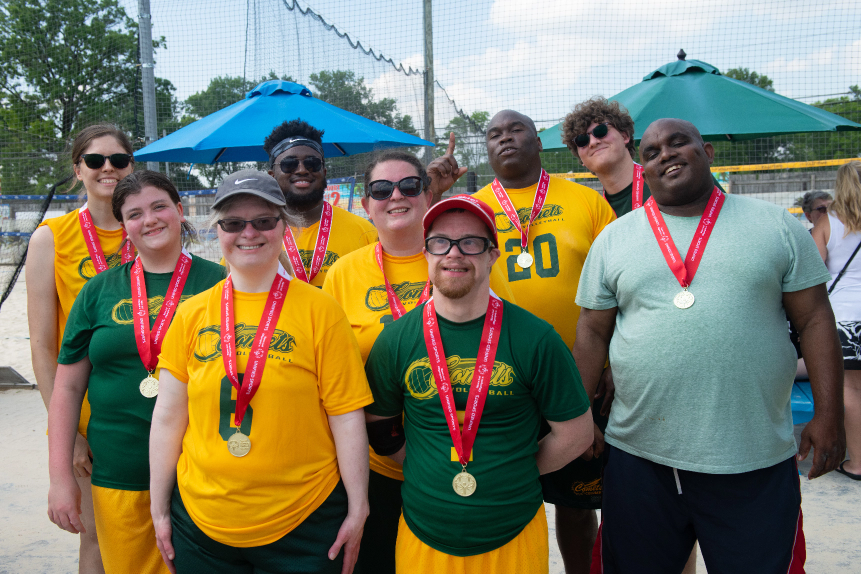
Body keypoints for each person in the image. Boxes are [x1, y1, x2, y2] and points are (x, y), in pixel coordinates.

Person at [573, 118, 845, 573]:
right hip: (641, 457)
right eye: (653, 151)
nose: (666, 154)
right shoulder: (614, 239)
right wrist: (581, 420)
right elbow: (592, 332)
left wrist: (829, 413)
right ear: (644, 167)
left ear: (708, 152)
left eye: (678, 142)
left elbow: (816, 319)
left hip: (752, 457)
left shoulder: (775, 225)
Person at [148, 170, 372, 574]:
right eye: (233, 223)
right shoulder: (192, 312)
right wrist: (159, 507)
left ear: (283, 226)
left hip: (305, 519)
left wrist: (358, 506)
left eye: (263, 221)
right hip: (203, 523)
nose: (248, 232)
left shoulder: (321, 311)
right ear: (218, 230)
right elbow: (167, 418)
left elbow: (346, 414)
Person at [364, 195, 594, 573]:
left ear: (492, 254)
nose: (454, 253)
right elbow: (380, 428)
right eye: (441, 242)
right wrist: (425, 466)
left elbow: (576, 434)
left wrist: (515, 468)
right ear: (426, 254)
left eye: (471, 242)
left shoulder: (535, 338)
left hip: (513, 534)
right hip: (424, 535)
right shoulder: (397, 340)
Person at [322, 149, 515, 574]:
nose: (396, 196)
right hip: (376, 461)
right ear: (367, 203)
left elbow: (502, 346)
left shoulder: (466, 260)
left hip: (460, 456)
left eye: (409, 185)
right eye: (381, 189)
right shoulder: (344, 273)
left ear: (428, 194)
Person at [47, 171, 225, 573]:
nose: (150, 220)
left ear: (180, 211)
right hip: (119, 474)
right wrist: (60, 479)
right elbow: (67, 389)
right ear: (124, 227)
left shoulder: (221, 285)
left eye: (160, 206)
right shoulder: (98, 291)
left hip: (202, 480)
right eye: (134, 214)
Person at [467, 109, 616, 574]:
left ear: (538, 142)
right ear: (487, 149)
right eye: (494, 134)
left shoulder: (585, 202)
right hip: (499, 374)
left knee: (578, 501)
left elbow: (619, 283)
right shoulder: (470, 209)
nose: (505, 139)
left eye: (516, 131)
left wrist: (610, 361)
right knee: (509, 491)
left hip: (580, 371)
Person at [561, 97, 699, 574]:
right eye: (582, 140)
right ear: (578, 156)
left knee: (675, 493)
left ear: (624, 134)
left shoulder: (673, 187)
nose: (593, 142)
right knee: (582, 497)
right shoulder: (582, 207)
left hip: (662, 365)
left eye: (601, 131)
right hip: (599, 365)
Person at [27, 123, 137, 573]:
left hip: (151, 407)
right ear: (78, 170)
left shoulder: (150, 229)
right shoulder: (50, 238)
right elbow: (42, 345)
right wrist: (67, 433)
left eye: (118, 160)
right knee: (97, 540)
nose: (107, 169)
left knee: (160, 531)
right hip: (89, 414)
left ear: (133, 167)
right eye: (95, 161)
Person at [264, 119, 377, 286]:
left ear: (324, 172)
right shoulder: (254, 233)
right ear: (272, 175)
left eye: (312, 163)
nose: (302, 170)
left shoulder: (365, 233)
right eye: (289, 164)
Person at [812, 161, 861, 481]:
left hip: (844, 318)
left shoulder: (827, 223)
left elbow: (812, 275)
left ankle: (857, 462)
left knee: (850, 390)